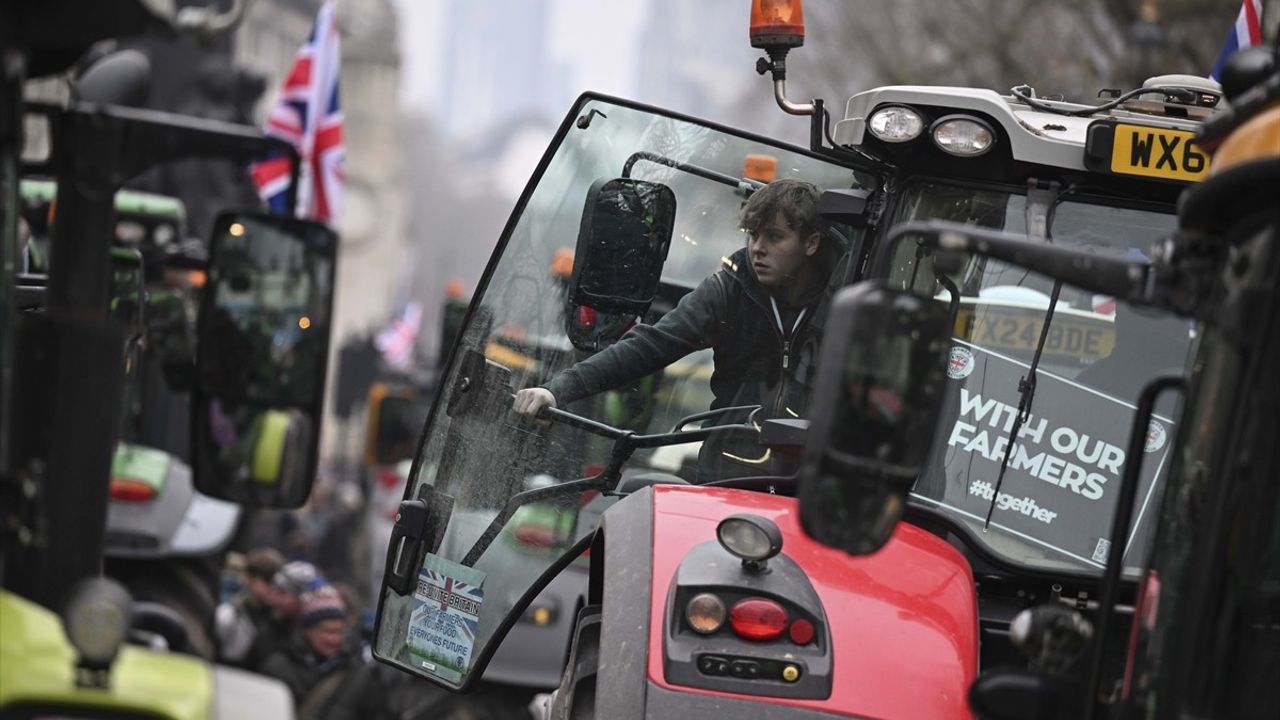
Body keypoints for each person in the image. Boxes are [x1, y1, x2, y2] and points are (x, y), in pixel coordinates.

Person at [513, 178, 839, 481]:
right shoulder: (729, 289)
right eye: (754, 235)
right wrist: (557, 390)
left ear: (811, 243)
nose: (757, 248)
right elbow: (650, 344)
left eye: (774, 237)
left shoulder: (845, 296)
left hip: (814, 481)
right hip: (726, 474)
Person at [259, 584, 387, 720]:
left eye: (339, 631)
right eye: (328, 631)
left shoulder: (359, 673)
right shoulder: (278, 668)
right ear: (308, 631)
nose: (335, 639)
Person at [214, 547, 285, 667]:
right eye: (267, 581)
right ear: (248, 578)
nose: (273, 588)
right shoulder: (228, 616)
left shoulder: (280, 620)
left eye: (278, 584)